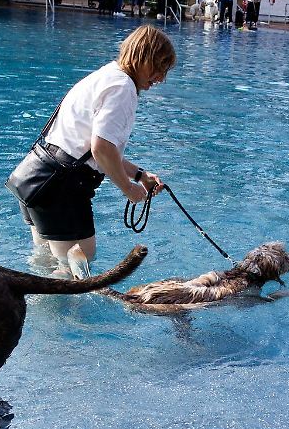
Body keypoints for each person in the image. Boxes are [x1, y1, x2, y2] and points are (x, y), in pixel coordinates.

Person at [12, 25, 176, 275]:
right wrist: (128, 188)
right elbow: (101, 149)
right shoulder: (123, 87)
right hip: (61, 190)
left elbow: (94, 150)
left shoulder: (107, 74)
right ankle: (57, 315)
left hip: (36, 180)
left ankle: (29, 310)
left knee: (47, 260)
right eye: (160, 67)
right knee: (79, 262)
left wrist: (140, 175)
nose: (161, 78)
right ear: (143, 56)